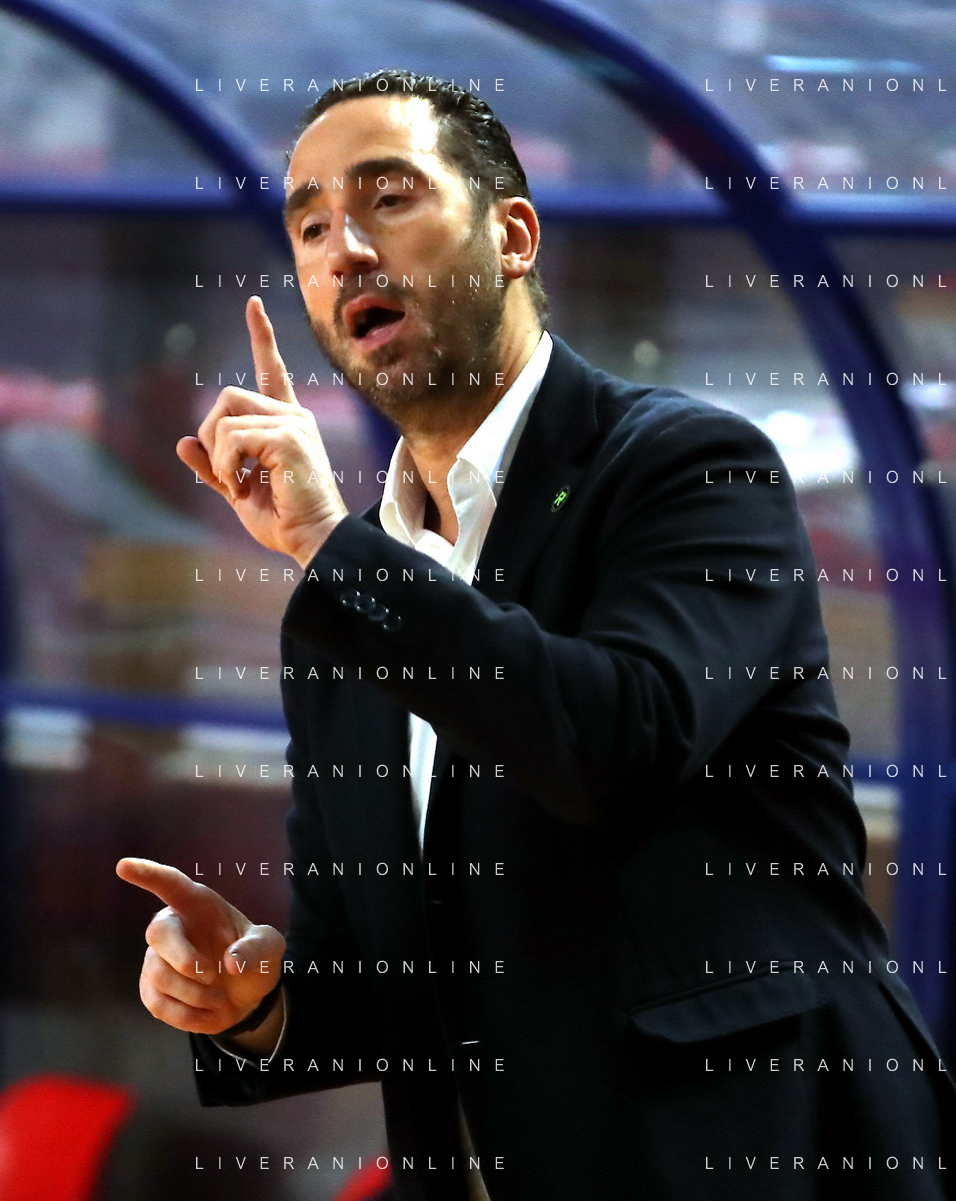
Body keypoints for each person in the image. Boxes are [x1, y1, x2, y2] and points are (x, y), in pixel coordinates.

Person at [117, 69, 956, 1201]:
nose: (345, 249)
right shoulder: (346, 602)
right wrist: (255, 1003)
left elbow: (611, 742)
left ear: (512, 235)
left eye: (389, 199)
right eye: (310, 226)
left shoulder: (686, 467)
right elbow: (386, 981)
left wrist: (328, 545)